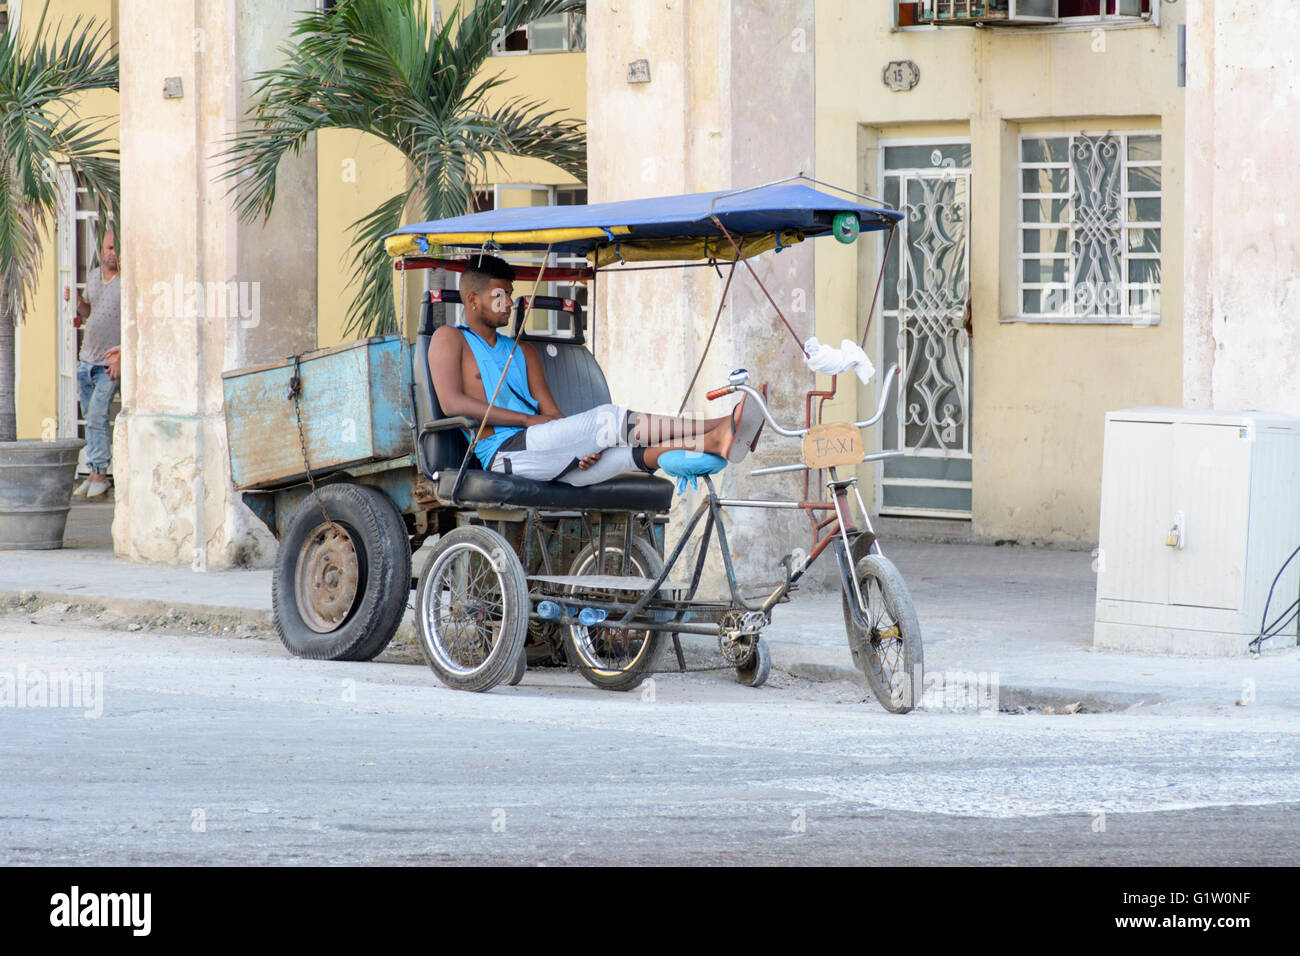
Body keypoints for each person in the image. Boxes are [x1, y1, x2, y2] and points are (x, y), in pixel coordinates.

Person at [428, 255, 764, 486]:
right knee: (606, 419)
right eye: (500, 295)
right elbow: (451, 404)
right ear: (473, 300)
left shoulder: (523, 351)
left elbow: (553, 414)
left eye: (511, 295)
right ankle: (720, 426)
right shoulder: (450, 338)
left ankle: (712, 440)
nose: (509, 303)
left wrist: (580, 446)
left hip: (544, 447)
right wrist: (527, 420)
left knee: (618, 458)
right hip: (503, 454)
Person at [65, 228, 121, 498]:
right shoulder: (94, 278)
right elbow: (88, 312)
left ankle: (100, 475)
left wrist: (124, 354)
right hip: (86, 359)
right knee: (91, 418)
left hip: (109, 362)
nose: (114, 254)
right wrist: (76, 302)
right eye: (110, 248)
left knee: (99, 416)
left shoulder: (129, 281)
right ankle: (95, 470)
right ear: (102, 249)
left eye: (117, 248)